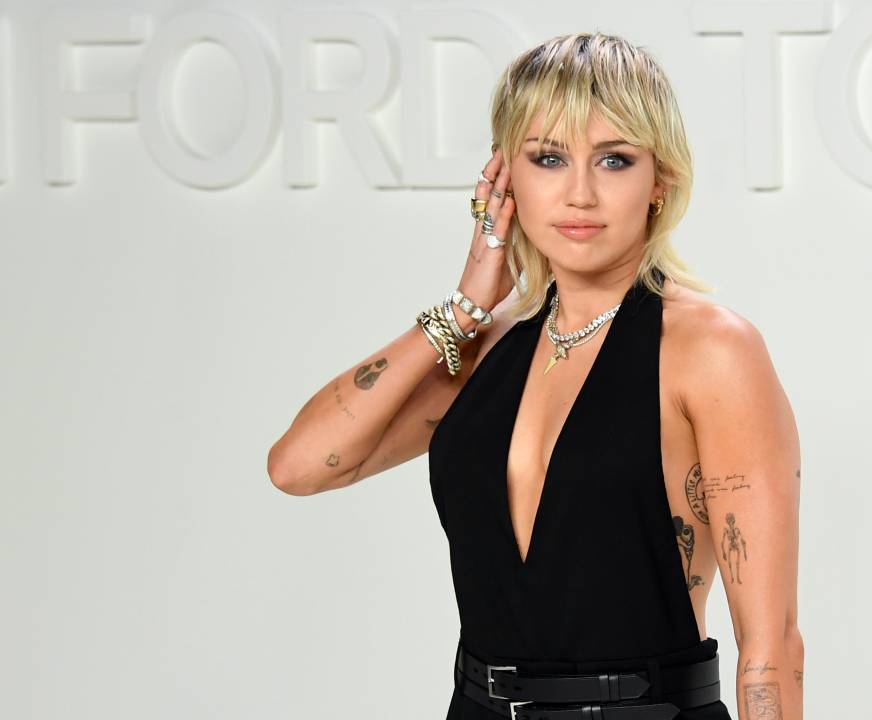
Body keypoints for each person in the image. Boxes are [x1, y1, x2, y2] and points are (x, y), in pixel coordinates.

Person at [268, 31, 805, 720]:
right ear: (505, 179)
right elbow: (298, 467)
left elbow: (770, 648)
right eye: (548, 158)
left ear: (659, 180)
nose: (579, 193)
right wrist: (465, 307)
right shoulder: (487, 348)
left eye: (614, 159)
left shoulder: (709, 349)